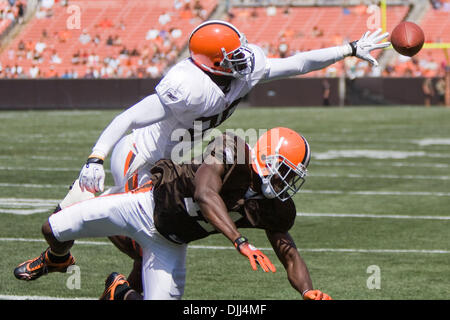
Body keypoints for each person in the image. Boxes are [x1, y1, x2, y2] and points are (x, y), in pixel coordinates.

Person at [52, 20, 389, 291]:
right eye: (231, 57)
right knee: (143, 233)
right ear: (209, 64)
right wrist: (96, 156)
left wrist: (348, 49)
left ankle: (120, 290)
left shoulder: (243, 73)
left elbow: (297, 64)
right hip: (141, 156)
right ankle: (62, 240)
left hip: (174, 158)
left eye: (239, 51)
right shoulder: (188, 85)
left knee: (154, 242)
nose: (241, 59)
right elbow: (127, 118)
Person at [14, 127, 331, 300]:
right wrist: (239, 241)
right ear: (265, 158)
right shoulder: (233, 150)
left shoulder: (275, 208)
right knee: (52, 228)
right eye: (284, 172)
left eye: (292, 177)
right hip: (142, 206)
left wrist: (307, 291)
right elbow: (205, 194)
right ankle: (57, 258)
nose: (286, 183)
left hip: (169, 243)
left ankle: (120, 291)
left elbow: (289, 252)